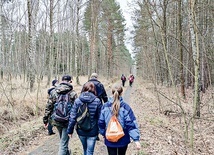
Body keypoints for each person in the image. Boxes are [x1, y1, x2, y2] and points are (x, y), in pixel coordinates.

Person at [98, 84, 141, 155]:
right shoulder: (126, 107)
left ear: (112, 92)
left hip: (110, 137)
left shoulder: (105, 107)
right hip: (123, 138)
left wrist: (103, 133)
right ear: (121, 93)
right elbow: (131, 123)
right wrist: (136, 139)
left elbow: (101, 122)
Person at [43, 75, 77, 155]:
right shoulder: (73, 93)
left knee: (63, 139)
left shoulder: (54, 92)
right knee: (63, 143)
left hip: (56, 119)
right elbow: (76, 108)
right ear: (70, 81)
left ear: (61, 81)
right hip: (67, 121)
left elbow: (48, 106)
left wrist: (45, 119)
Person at [67, 82, 102, 155]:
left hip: (81, 129)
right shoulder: (97, 101)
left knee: (85, 149)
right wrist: (102, 130)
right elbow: (100, 118)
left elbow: (72, 117)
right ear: (93, 90)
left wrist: (70, 131)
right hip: (93, 130)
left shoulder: (77, 101)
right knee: (90, 151)